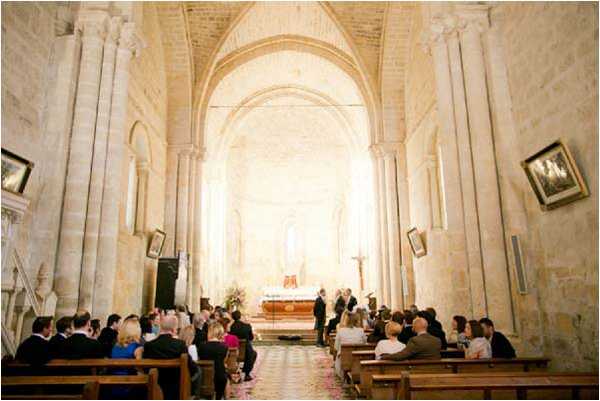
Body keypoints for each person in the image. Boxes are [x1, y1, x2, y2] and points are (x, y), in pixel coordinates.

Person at [143, 315, 195, 400]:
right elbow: (191, 366)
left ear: (161, 326)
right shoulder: (180, 345)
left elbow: (145, 368)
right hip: (176, 388)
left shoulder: (149, 345)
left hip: (155, 385)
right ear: (174, 328)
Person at [197, 322, 229, 400]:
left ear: (210, 332)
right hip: (220, 378)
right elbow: (224, 361)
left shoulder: (202, 346)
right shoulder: (224, 347)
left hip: (204, 377)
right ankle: (219, 398)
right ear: (221, 332)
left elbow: (200, 358)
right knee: (224, 375)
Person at [334, 312, 366, 378]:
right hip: (358, 358)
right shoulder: (361, 331)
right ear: (356, 321)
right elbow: (364, 343)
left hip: (344, 358)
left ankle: (343, 374)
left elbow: (336, 347)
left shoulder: (341, 331)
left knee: (339, 355)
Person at [229, 310, 257, 381]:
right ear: (240, 316)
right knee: (253, 354)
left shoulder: (231, 327)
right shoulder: (247, 326)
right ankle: (247, 373)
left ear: (232, 318)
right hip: (247, 352)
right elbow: (251, 338)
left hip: (234, 350)